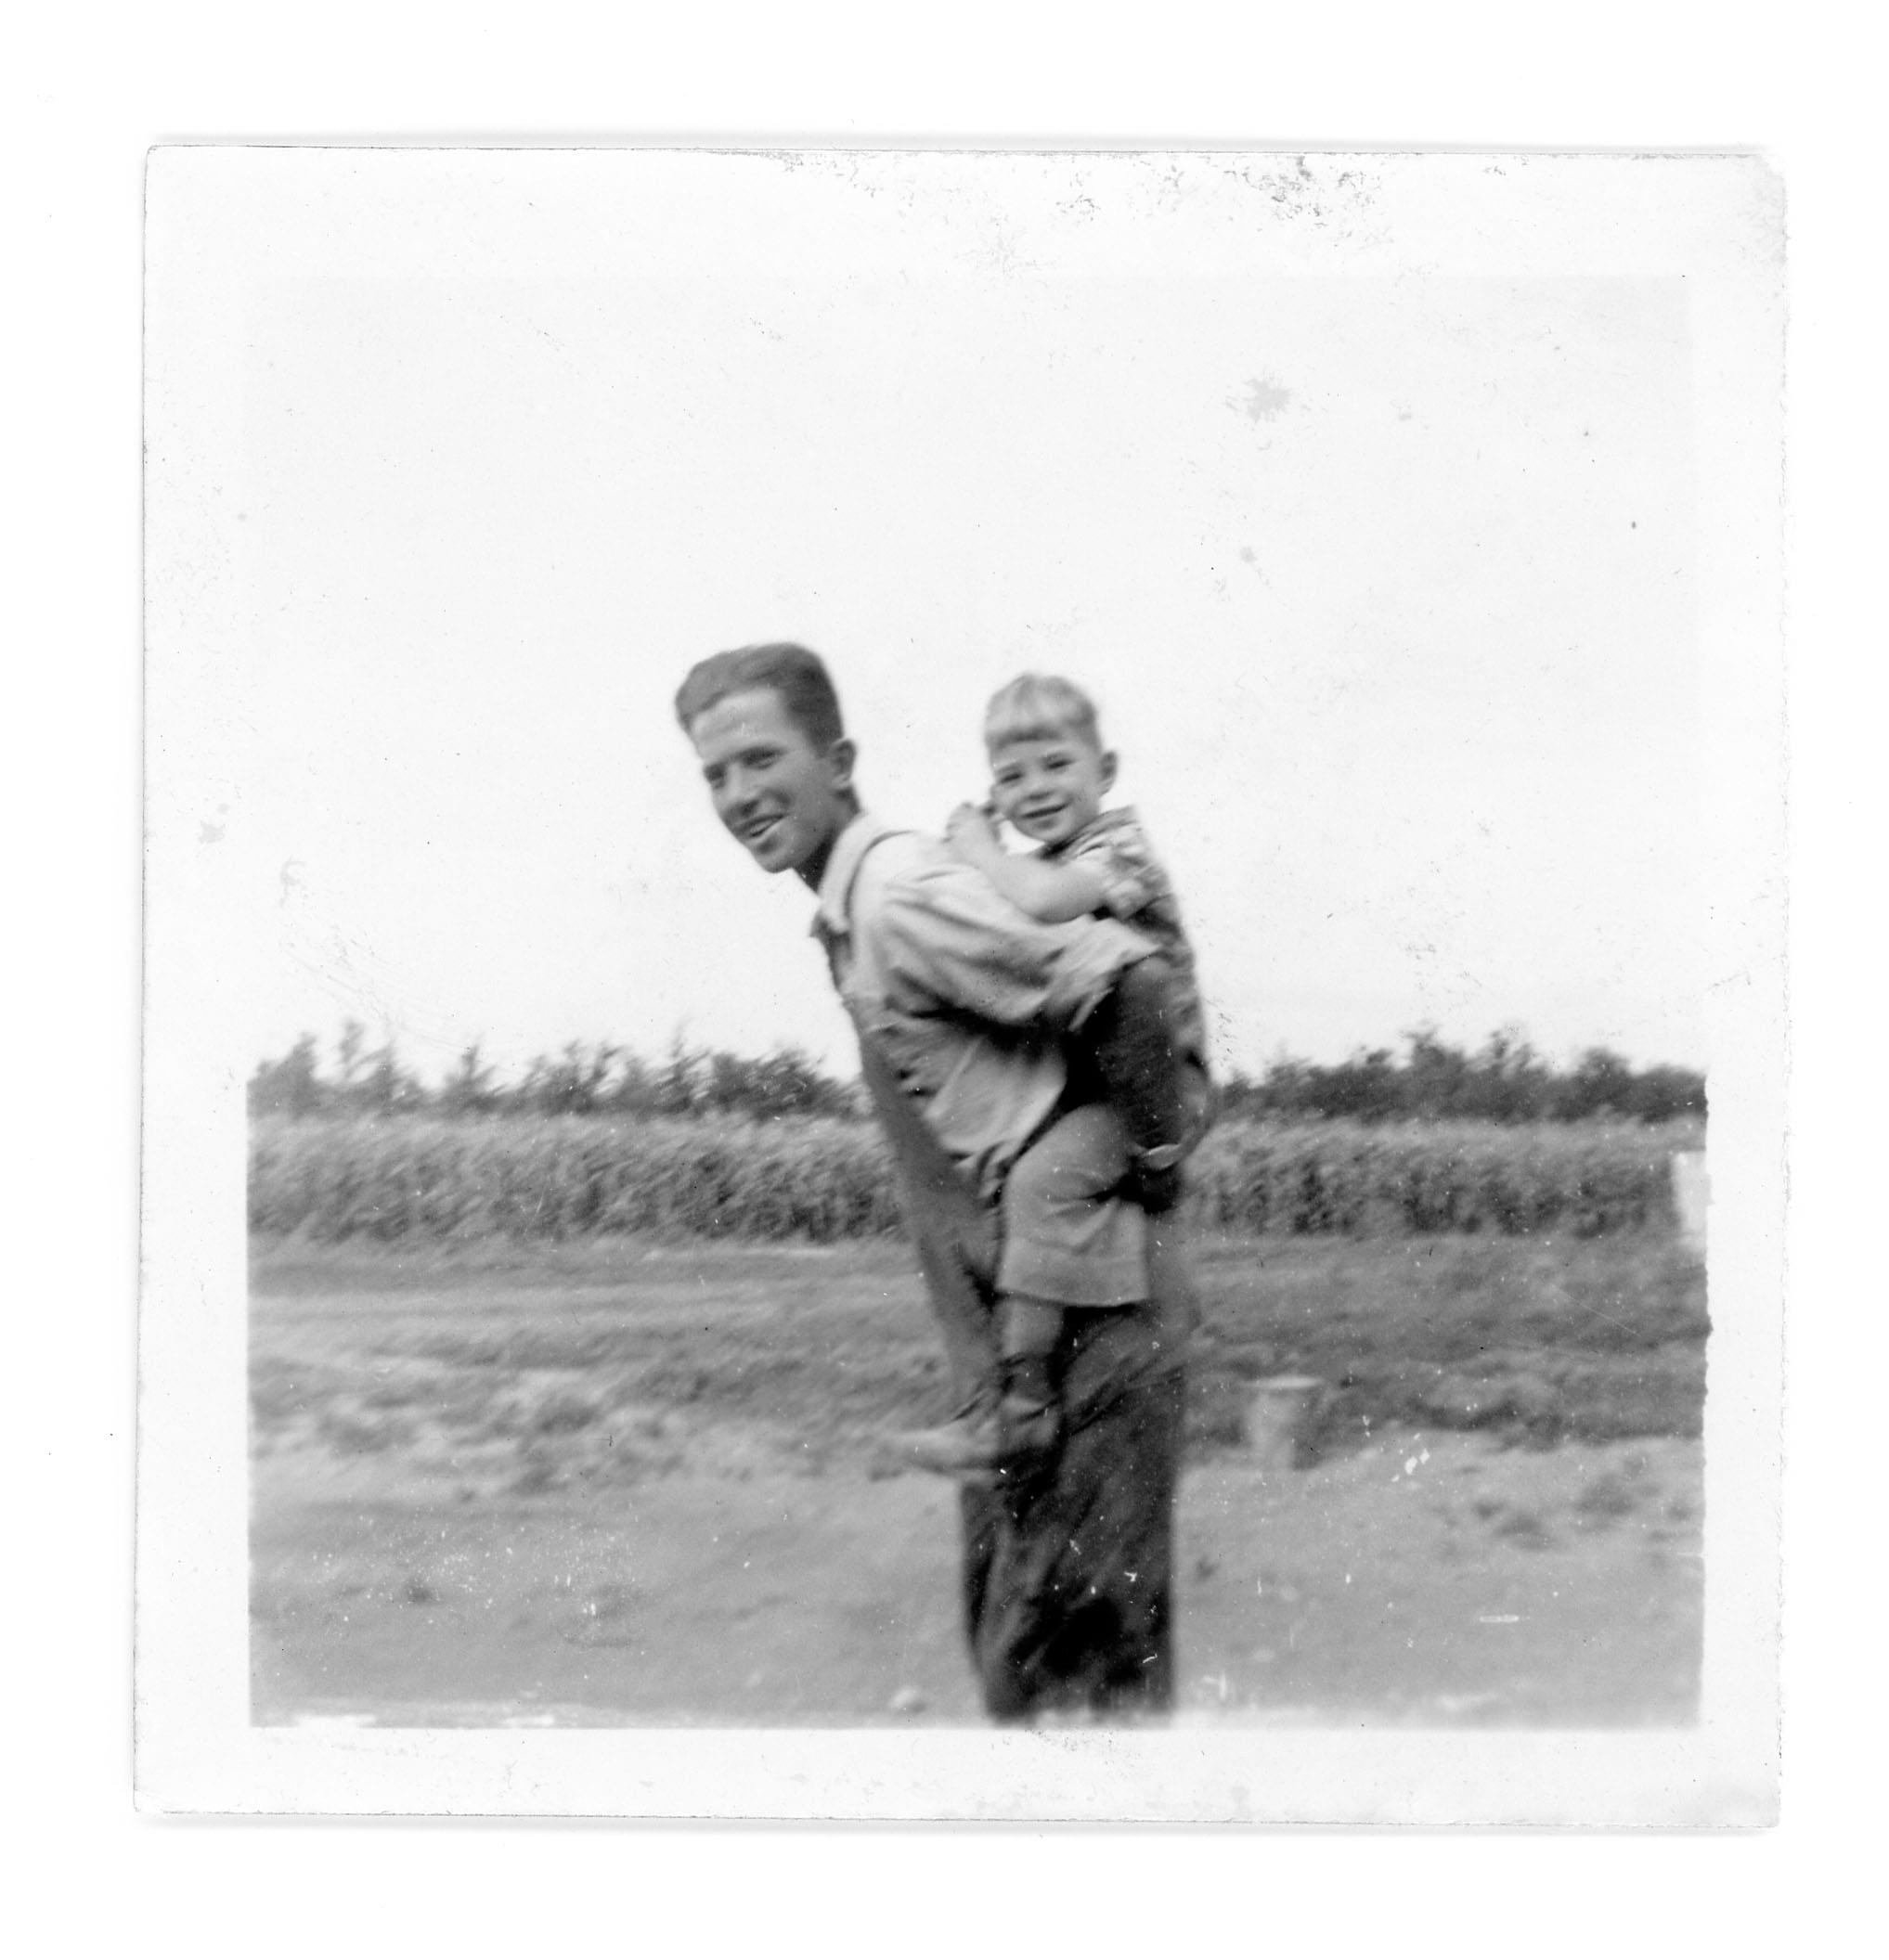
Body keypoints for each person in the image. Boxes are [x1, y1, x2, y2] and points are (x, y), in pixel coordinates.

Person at [675, 641, 1199, 1721]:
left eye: (762, 760)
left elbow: (1134, 988)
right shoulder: (855, 909)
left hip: (1086, 1346)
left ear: (838, 761)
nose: (738, 795)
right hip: (1016, 1368)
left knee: (1077, 1696)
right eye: (716, 774)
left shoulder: (898, 892)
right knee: (1024, 1671)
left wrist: (1157, 1161)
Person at [937, 672, 1213, 1474]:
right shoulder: (1043, 860)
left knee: (1041, 1184)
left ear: (1106, 770)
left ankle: (1023, 1401)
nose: (1035, 789)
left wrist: (980, 846)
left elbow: (1046, 900)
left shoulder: (1116, 849)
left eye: (1056, 765)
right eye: (1011, 777)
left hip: (1159, 1086)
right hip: (1095, 1082)